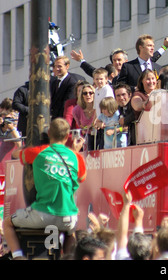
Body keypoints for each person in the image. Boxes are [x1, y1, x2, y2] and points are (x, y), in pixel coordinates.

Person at [2, 118, 86, 259]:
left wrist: (26, 148)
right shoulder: (75, 156)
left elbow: (16, 154)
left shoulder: (39, 152)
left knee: (7, 223)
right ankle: (70, 256)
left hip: (42, 214)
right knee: (70, 232)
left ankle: (17, 256)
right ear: (67, 136)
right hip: (68, 216)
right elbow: (82, 177)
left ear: (49, 133)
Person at [72, 83, 97, 150]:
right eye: (85, 93)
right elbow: (81, 127)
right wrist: (87, 127)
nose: (88, 95)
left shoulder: (98, 107)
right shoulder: (76, 110)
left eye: (90, 93)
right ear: (82, 96)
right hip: (86, 138)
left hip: (98, 135)